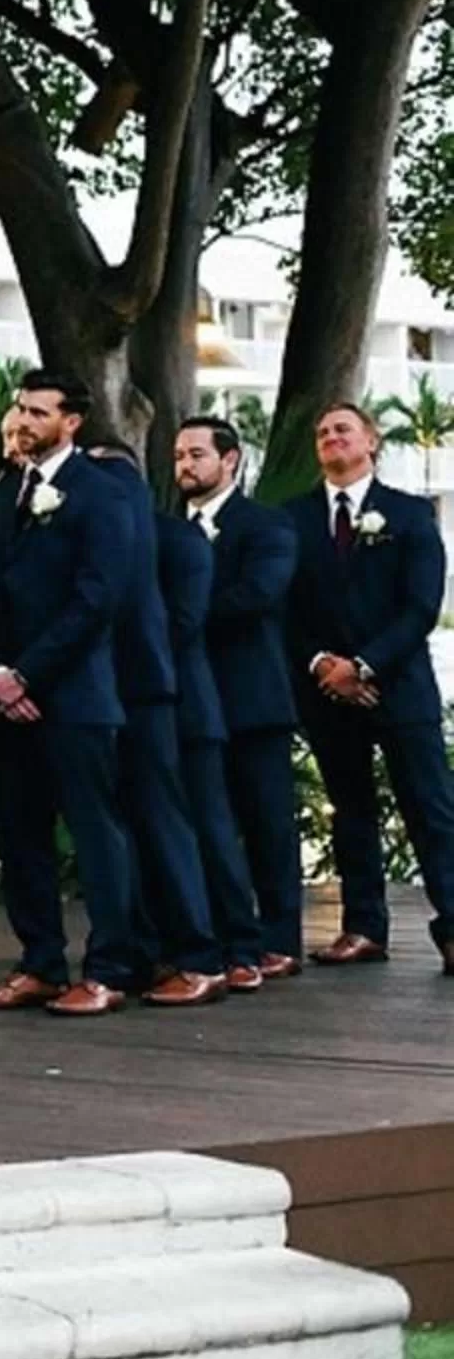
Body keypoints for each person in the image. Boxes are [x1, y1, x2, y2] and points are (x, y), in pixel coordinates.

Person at [0, 372, 143, 1017]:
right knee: (20, 833)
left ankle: (109, 967)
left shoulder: (101, 495)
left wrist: (29, 675)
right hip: (8, 697)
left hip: (76, 694)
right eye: (21, 408)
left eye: (39, 412)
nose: (25, 420)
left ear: (72, 422)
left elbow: (97, 599)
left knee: (95, 833)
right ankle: (38, 961)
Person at [286, 401, 454, 972]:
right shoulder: (294, 519)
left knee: (431, 810)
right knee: (350, 810)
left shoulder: (408, 515)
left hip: (399, 689)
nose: (331, 438)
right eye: (323, 432)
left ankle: (453, 925)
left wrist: (363, 665)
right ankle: (363, 928)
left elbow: (420, 606)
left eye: (342, 429)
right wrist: (322, 666)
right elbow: (287, 609)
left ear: (371, 441)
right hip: (327, 693)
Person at [93, 446, 226, 1006]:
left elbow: (179, 622)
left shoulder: (173, 538)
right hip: (101, 695)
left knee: (164, 822)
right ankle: (142, 951)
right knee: (124, 826)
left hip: (149, 693)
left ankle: (201, 955)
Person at [177, 416, 306, 975]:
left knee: (267, 822)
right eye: (179, 455)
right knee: (205, 821)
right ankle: (224, 935)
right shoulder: (167, 528)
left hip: (252, 696)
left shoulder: (265, 526)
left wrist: (179, 615)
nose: (185, 465)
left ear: (229, 460)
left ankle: (279, 938)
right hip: (188, 699)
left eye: (197, 454)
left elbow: (257, 594)